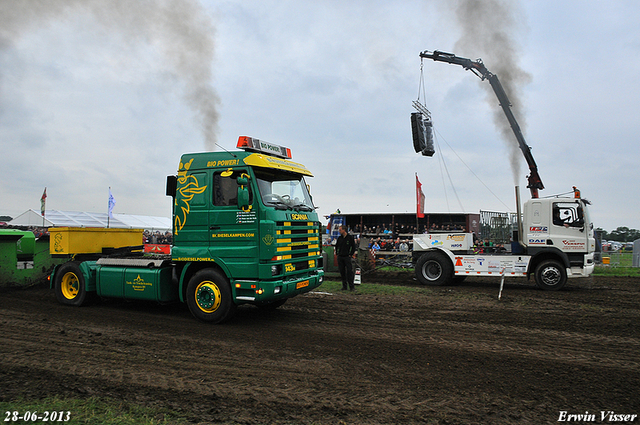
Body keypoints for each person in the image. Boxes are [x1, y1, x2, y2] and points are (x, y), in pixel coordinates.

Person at [335, 225, 357, 291]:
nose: (339, 231)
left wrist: (350, 254)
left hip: (347, 257)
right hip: (340, 257)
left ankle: (351, 287)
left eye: (340, 230)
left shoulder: (350, 238)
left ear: (344, 230)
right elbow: (337, 246)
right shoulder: (339, 238)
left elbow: (353, 247)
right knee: (342, 272)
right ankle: (344, 286)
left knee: (349, 272)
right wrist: (337, 254)